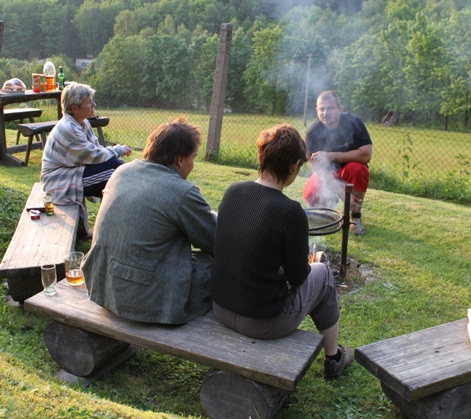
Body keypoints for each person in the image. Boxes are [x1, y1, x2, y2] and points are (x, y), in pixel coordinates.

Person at [211, 124, 353, 379]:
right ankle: (334, 358)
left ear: (260, 157)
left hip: (221, 308)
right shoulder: (290, 211)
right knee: (323, 274)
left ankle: (333, 356)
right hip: (262, 322)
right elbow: (299, 277)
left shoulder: (233, 191)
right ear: (293, 167)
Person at [82, 116, 217, 324]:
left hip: (101, 285)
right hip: (144, 299)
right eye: (193, 157)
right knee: (217, 261)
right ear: (180, 159)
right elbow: (214, 239)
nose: (193, 164)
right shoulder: (182, 191)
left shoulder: (122, 171)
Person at [41, 83, 131, 237]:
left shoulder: (82, 123)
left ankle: (108, 230)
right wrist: (118, 150)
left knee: (117, 173)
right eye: (89, 102)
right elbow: (94, 156)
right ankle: (107, 232)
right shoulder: (68, 128)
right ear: (75, 108)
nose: (93, 105)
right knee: (117, 175)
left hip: (70, 173)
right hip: (57, 182)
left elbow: (97, 151)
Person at [303, 91, 372, 236]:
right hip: (328, 174)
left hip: (350, 171)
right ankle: (327, 210)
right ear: (317, 110)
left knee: (358, 169)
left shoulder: (354, 123)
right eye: (322, 109)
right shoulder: (312, 132)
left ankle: (355, 216)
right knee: (310, 194)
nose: (325, 112)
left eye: (330, 108)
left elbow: (366, 155)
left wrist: (331, 155)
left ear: (340, 109)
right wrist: (341, 193)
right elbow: (320, 172)